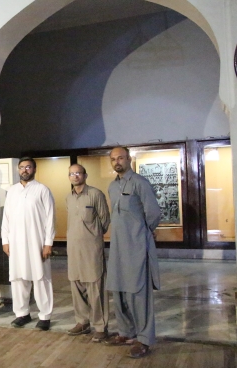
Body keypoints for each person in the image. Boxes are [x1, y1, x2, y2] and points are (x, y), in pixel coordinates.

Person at [104, 147, 161, 359]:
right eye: (113, 159)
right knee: (119, 290)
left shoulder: (140, 183)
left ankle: (144, 339)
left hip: (136, 246)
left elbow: (153, 213)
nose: (117, 162)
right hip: (118, 247)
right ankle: (126, 332)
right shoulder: (112, 186)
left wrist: (144, 233)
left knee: (139, 293)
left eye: (120, 158)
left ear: (129, 159)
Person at [2, 157, 55, 331]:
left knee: (41, 278)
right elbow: (6, 218)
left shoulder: (42, 190)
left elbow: (50, 218)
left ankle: (45, 315)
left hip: (37, 241)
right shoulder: (12, 191)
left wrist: (48, 243)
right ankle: (22, 313)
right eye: (22, 167)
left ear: (34, 169)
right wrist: (5, 240)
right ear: (18, 170)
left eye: (28, 167)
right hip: (16, 243)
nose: (25, 170)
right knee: (18, 278)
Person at [65, 164, 110, 342]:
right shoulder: (68, 197)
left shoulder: (95, 194)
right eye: (72, 174)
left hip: (92, 248)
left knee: (95, 287)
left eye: (78, 173)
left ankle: (100, 326)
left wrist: (93, 237)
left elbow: (105, 220)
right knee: (76, 284)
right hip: (73, 248)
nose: (75, 176)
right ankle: (82, 322)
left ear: (85, 175)